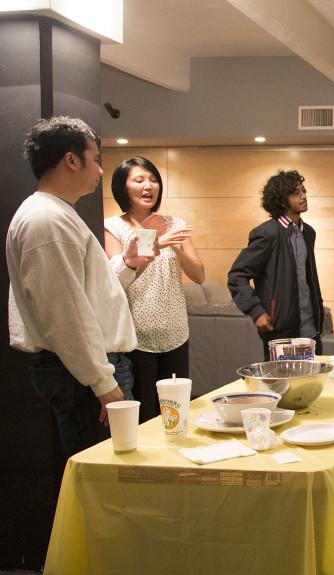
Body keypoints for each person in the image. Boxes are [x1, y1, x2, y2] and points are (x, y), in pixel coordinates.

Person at [7, 116, 152, 458]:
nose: (101, 170)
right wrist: (103, 382)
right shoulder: (46, 219)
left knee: (112, 473)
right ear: (71, 160)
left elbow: (86, 295)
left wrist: (128, 264)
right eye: (96, 159)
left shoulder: (55, 214)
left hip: (87, 369)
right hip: (84, 372)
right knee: (108, 476)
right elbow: (64, 313)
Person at [104, 157, 205, 423]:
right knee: (146, 416)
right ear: (122, 187)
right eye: (139, 180)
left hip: (175, 331)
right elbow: (118, 281)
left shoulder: (174, 223)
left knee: (176, 412)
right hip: (136, 337)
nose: (149, 186)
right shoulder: (112, 227)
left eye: (153, 180)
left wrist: (179, 246)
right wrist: (156, 241)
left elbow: (199, 275)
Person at [228, 169, 325, 358]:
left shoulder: (308, 233)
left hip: (311, 330)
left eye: (304, 191)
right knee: (283, 386)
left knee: (313, 384)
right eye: (296, 193)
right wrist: (257, 312)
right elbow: (237, 276)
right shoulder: (266, 234)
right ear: (281, 200)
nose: (304, 197)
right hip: (281, 333)